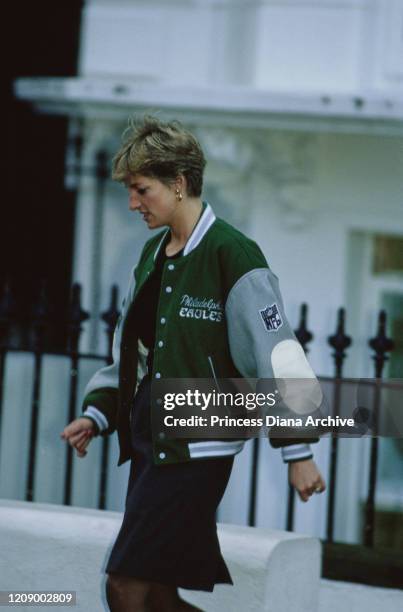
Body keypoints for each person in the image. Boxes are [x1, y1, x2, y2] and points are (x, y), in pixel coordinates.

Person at [61, 116, 326, 612]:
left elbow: (279, 353)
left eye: (141, 189)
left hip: (195, 457)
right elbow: (133, 352)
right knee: (158, 594)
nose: (133, 203)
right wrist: (97, 413)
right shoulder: (151, 253)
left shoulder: (234, 254)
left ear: (178, 184)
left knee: (124, 585)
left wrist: (299, 452)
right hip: (152, 447)